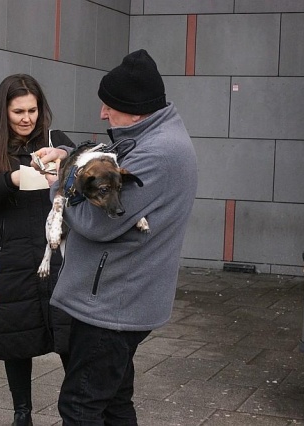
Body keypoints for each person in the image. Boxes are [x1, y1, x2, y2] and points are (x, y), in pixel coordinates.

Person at [35, 49, 198, 425]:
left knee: (80, 405)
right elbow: (101, 159)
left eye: (109, 106)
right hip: (118, 298)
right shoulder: (152, 135)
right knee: (113, 403)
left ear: (136, 109)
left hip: (113, 304)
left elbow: (97, 223)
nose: (102, 114)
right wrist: (65, 154)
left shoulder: (157, 153)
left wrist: (58, 185)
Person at [0, 73, 75, 426]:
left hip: (53, 253)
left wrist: (65, 155)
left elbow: (85, 165)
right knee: (16, 336)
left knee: (68, 332)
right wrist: (11, 178)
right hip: (10, 256)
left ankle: (78, 407)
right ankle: (21, 412)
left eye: (32, 109)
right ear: (4, 112)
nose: (27, 118)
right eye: (18, 112)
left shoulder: (55, 140)